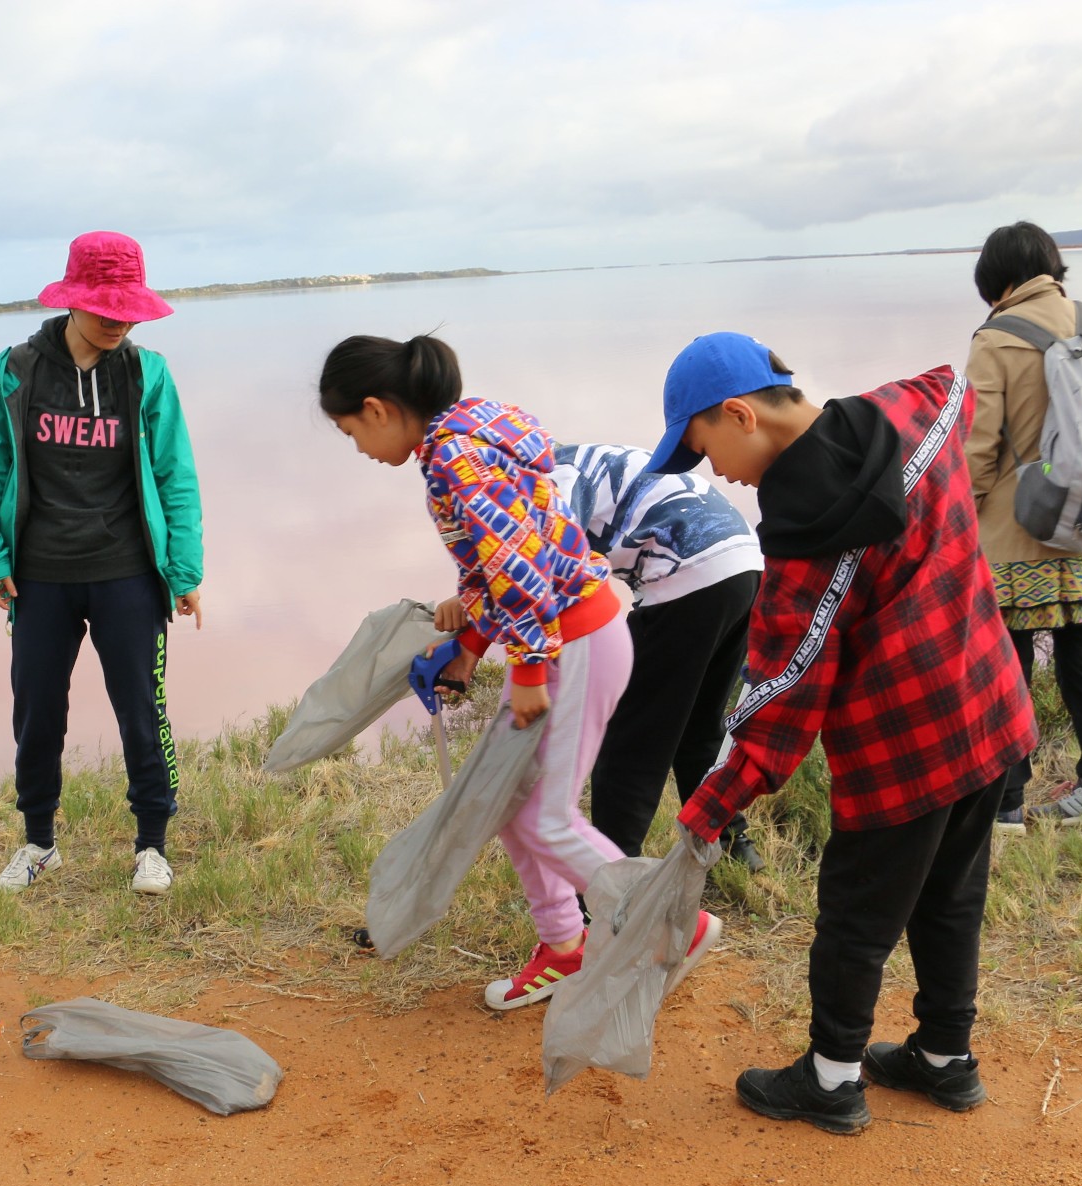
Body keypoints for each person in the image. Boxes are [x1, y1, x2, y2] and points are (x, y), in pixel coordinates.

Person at [652, 333, 1036, 1134]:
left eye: (705, 449)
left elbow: (782, 694)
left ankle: (831, 1080)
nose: (714, 472)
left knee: (856, 916)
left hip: (902, 750)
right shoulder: (916, 413)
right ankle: (943, 1059)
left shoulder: (804, 540)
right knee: (951, 895)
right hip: (988, 704)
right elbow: (965, 396)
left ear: (738, 414)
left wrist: (708, 808)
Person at [318, 334, 721, 1012]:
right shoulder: (475, 426)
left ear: (377, 408)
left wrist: (529, 669)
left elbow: (521, 570)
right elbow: (508, 550)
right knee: (513, 808)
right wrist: (472, 638)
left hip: (575, 642)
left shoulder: (451, 457)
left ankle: (670, 926)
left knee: (551, 819)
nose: (358, 448)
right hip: (574, 634)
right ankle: (564, 944)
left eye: (350, 431)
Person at [0, 231, 206, 897]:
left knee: (141, 709)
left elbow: (175, 473)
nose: (119, 322)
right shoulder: (18, 370)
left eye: (129, 310)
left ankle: (151, 844)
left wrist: (183, 572)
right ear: (74, 300)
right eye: (107, 309)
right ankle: (39, 842)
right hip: (38, 575)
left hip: (128, 571)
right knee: (36, 710)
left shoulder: (145, 374)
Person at [966, 221, 1082, 831]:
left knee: (1009, 664)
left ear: (999, 281)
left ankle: (1007, 803)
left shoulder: (996, 337)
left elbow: (978, 445)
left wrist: (961, 513)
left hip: (1023, 529)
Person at [550, 442, 765, 870]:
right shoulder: (592, 456)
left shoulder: (555, 476)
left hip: (687, 574)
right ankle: (731, 839)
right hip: (743, 567)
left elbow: (554, 561)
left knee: (631, 741)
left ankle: (610, 879)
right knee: (700, 726)